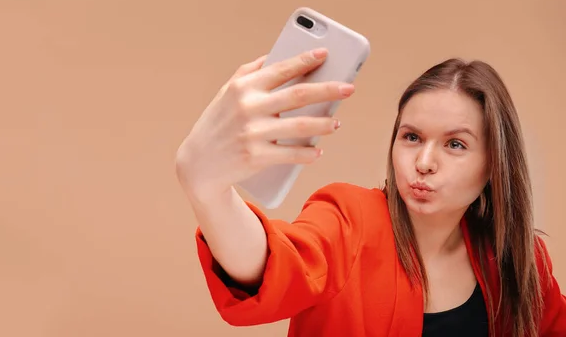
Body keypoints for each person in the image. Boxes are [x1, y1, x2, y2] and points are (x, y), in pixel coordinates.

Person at [175, 48, 566, 336]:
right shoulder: (349, 217)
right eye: (412, 137)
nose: (424, 161)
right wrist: (207, 188)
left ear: (494, 164)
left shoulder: (522, 259)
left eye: (455, 144)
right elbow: (272, 265)